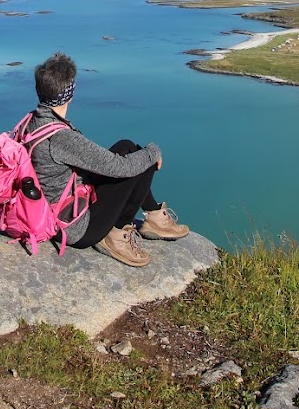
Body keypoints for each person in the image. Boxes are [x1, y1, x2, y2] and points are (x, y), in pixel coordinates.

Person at [25, 52, 188, 266]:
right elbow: (119, 167)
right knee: (137, 162)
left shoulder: (32, 123)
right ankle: (117, 233)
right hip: (76, 228)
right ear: (69, 93)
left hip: (55, 209)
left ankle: (153, 213)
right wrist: (153, 152)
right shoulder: (60, 138)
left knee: (126, 146)